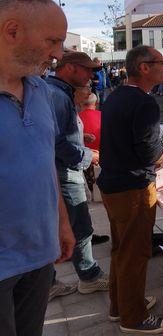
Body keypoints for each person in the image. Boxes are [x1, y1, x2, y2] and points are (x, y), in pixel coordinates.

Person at [97, 45, 163, 334]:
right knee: (135, 253)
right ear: (143, 67)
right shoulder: (143, 103)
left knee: (122, 249)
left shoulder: (114, 96)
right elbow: (150, 153)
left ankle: (120, 305)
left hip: (113, 185)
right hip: (132, 189)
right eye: (161, 62)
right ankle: (132, 318)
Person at [0, 2, 75, 336]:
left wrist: (61, 222)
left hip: (39, 256)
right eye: (52, 41)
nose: (58, 54)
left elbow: (45, 162)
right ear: (12, 31)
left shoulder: (41, 90)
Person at [46, 51, 109, 299]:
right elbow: (56, 142)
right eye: (88, 70)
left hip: (61, 169)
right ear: (71, 68)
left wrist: (81, 141)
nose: (93, 76)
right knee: (80, 226)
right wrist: (87, 155)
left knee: (63, 225)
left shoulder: (56, 91)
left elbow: (58, 135)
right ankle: (89, 276)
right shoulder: (58, 95)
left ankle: (49, 282)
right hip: (64, 172)